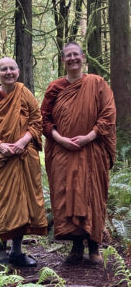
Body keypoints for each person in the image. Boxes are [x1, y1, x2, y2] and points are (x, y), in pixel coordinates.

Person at [41, 42, 116, 264]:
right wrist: (60, 139)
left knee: (92, 196)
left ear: (83, 58)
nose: (73, 58)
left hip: (92, 150)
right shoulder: (55, 87)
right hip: (63, 151)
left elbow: (108, 115)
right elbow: (43, 119)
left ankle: (94, 249)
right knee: (69, 196)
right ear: (63, 60)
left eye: (76, 54)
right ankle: (75, 248)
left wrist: (89, 136)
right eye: (68, 55)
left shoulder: (98, 83)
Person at [0, 57, 47, 267]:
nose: (8, 72)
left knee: (21, 204)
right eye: (3, 69)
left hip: (23, 158)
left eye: (12, 68)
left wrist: (24, 141)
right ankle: (1, 253)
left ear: (18, 71)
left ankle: (17, 251)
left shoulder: (24, 93)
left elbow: (37, 120)